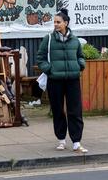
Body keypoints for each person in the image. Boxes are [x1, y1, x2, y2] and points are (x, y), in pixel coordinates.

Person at [37, 8, 88, 153]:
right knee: (58, 110)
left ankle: (76, 142)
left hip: (72, 79)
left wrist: (80, 65)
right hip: (55, 80)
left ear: (66, 23)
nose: (56, 24)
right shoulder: (48, 39)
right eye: (54, 22)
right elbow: (40, 58)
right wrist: (49, 69)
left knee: (75, 111)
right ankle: (61, 140)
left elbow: (80, 55)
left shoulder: (75, 40)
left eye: (58, 22)